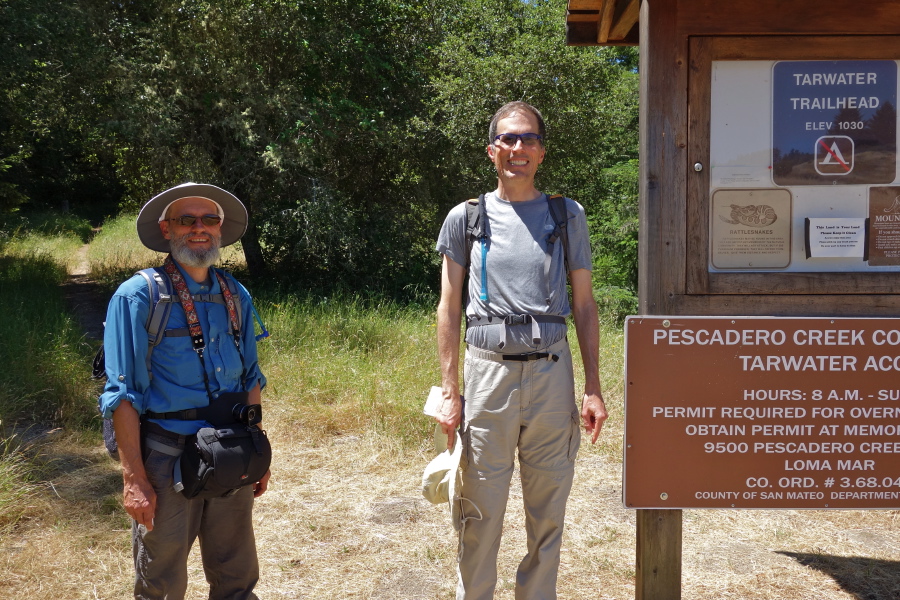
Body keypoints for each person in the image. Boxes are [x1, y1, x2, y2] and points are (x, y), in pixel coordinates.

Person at [434, 102, 608, 600]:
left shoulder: (566, 214)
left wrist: (593, 389)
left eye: (528, 139)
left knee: (549, 512)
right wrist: (450, 391)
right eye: (508, 140)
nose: (518, 149)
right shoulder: (465, 218)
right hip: (487, 378)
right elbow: (448, 307)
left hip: (552, 377)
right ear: (492, 151)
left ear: (541, 151)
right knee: (479, 511)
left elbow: (585, 304)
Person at [99, 182, 269, 600]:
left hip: (232, 450)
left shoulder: (235, 293)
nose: (199, 228)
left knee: (237, 575)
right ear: (167, 228)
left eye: (209, 219)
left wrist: (258, 450)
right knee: (162, 580)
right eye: (186, 219)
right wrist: (134, 479)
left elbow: (252, 379)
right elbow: (122, 394)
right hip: (166, 458)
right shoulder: (138, 296)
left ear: (221, 228)